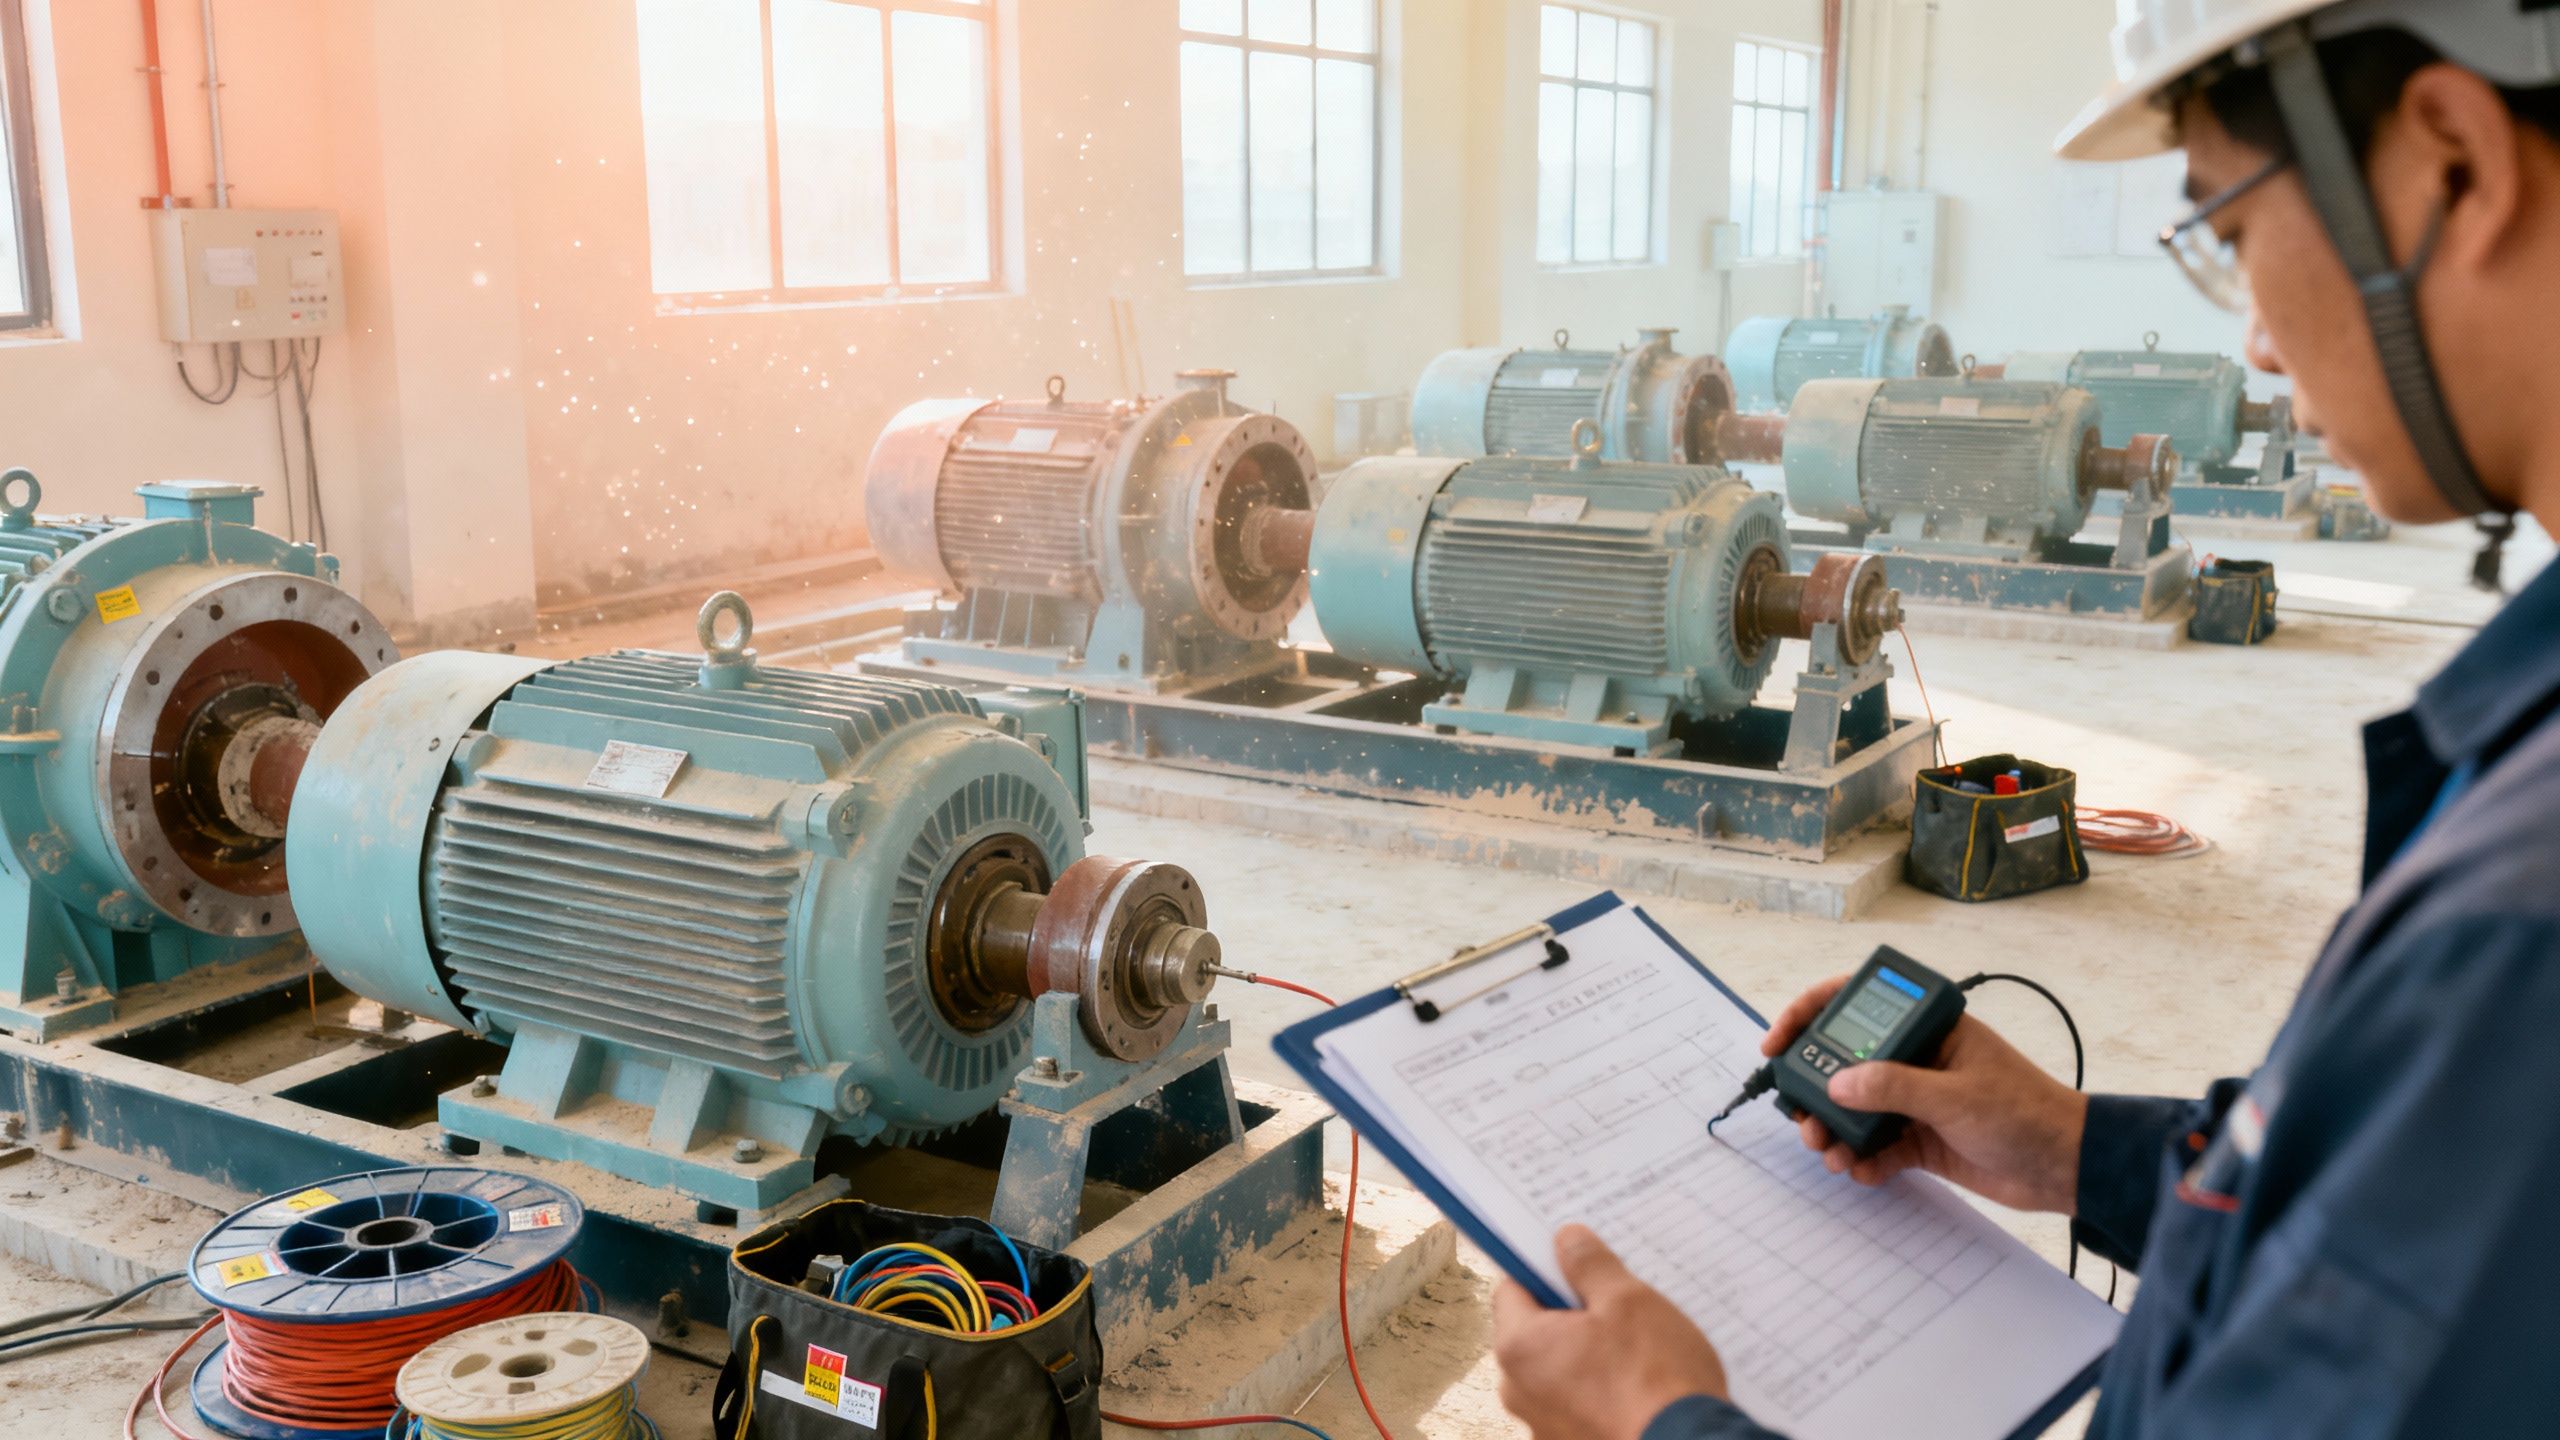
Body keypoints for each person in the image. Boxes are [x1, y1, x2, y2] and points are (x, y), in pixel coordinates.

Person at [1491, 1, 2560, 1436]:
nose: (2252, 345)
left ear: (2455, 164)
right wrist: (2081, 1151)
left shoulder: (2517, 938)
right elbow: (2392, 1210)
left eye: (2233, 232)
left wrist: (1663, 1424)